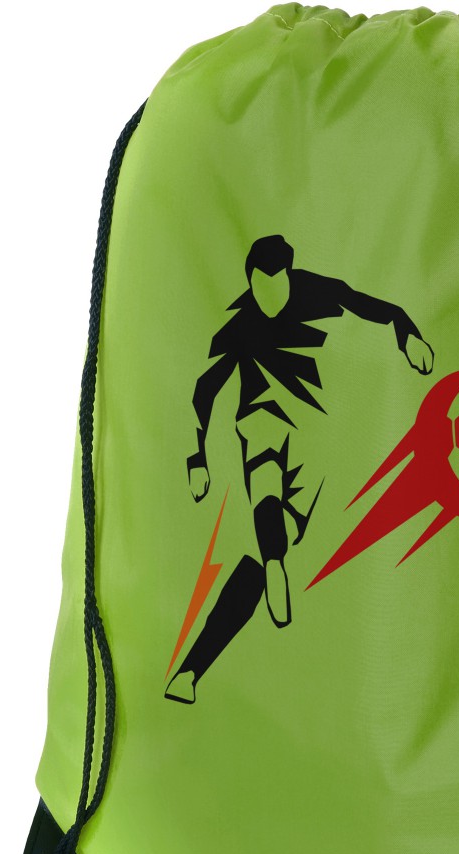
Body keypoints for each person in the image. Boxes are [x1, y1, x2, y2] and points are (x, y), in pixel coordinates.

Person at [167, 235, 434, 704]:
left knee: (267, 545)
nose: (270, 298)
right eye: (260, 287)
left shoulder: (316, 290)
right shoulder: (238, 325)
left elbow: (373, 307)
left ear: (290, 276)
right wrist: (196, 459)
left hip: (315, 428)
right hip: (261, 414)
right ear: (250, 282)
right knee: (264, 469)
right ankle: (269, 565)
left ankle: (191, 669)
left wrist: (408, 335)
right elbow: (203, 393)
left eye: (278, 285)